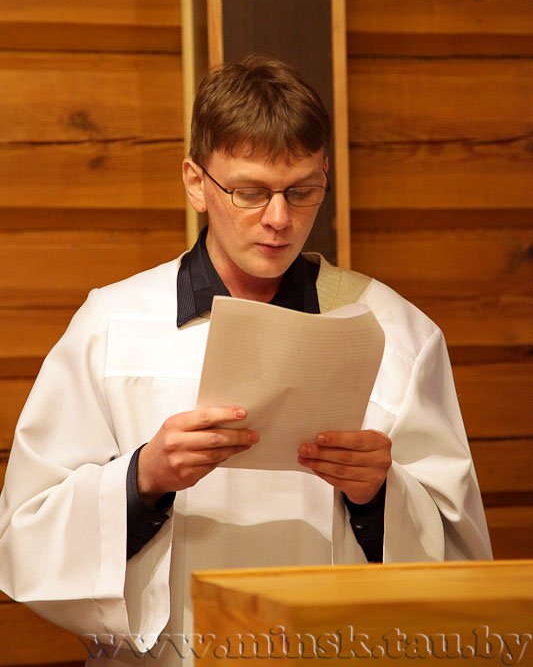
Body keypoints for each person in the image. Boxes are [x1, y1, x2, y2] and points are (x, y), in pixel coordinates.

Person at [0, 55, 492, 665]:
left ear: (325, 174)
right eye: (250, 192)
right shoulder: (114, 325)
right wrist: (144, 478)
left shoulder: (397, 331)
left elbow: (460, 553)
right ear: (195, 182)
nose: (279, 220)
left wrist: (379, 496)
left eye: (302, 191)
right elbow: (26, 533)